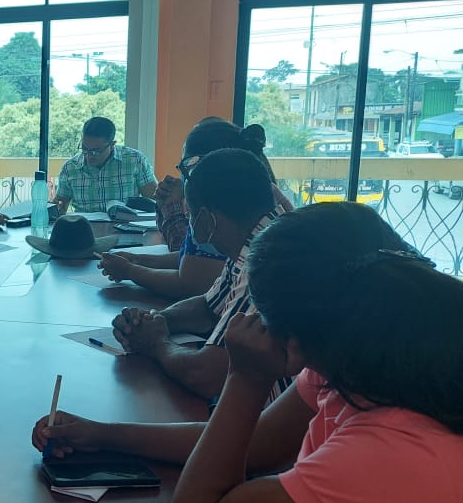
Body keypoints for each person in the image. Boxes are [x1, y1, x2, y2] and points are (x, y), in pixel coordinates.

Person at [33, 203, 463, 503]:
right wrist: (105, 434)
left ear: (293, 340)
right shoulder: (363, 355)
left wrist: (246, 377)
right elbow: (257, 443)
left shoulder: (407, 453)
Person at [110, 149, 291, 403]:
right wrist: (153, 320)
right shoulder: (259, 235)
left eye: (190, 215)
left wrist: (156, 344)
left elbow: (206, 375)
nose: (189, 223)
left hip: (279, 422)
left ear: (206, 219)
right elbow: (209, 307)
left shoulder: (264, 261)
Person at [98, 117, 290, 300]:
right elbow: (192, 257)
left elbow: (190, 284)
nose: (182, 174)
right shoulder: (251, 188)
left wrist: (130, 271)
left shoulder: (221, 203)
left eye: (186, 165)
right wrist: (137, 260)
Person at [53, 116, 157, 214]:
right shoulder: (70, 167)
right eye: (84, 148)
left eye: (96, 151)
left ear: (112, 145)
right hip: (85, 225)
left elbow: (154, 201)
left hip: (125, 224)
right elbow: (60, 205)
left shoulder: (135, 160)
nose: (89, 155)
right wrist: (56, 207)